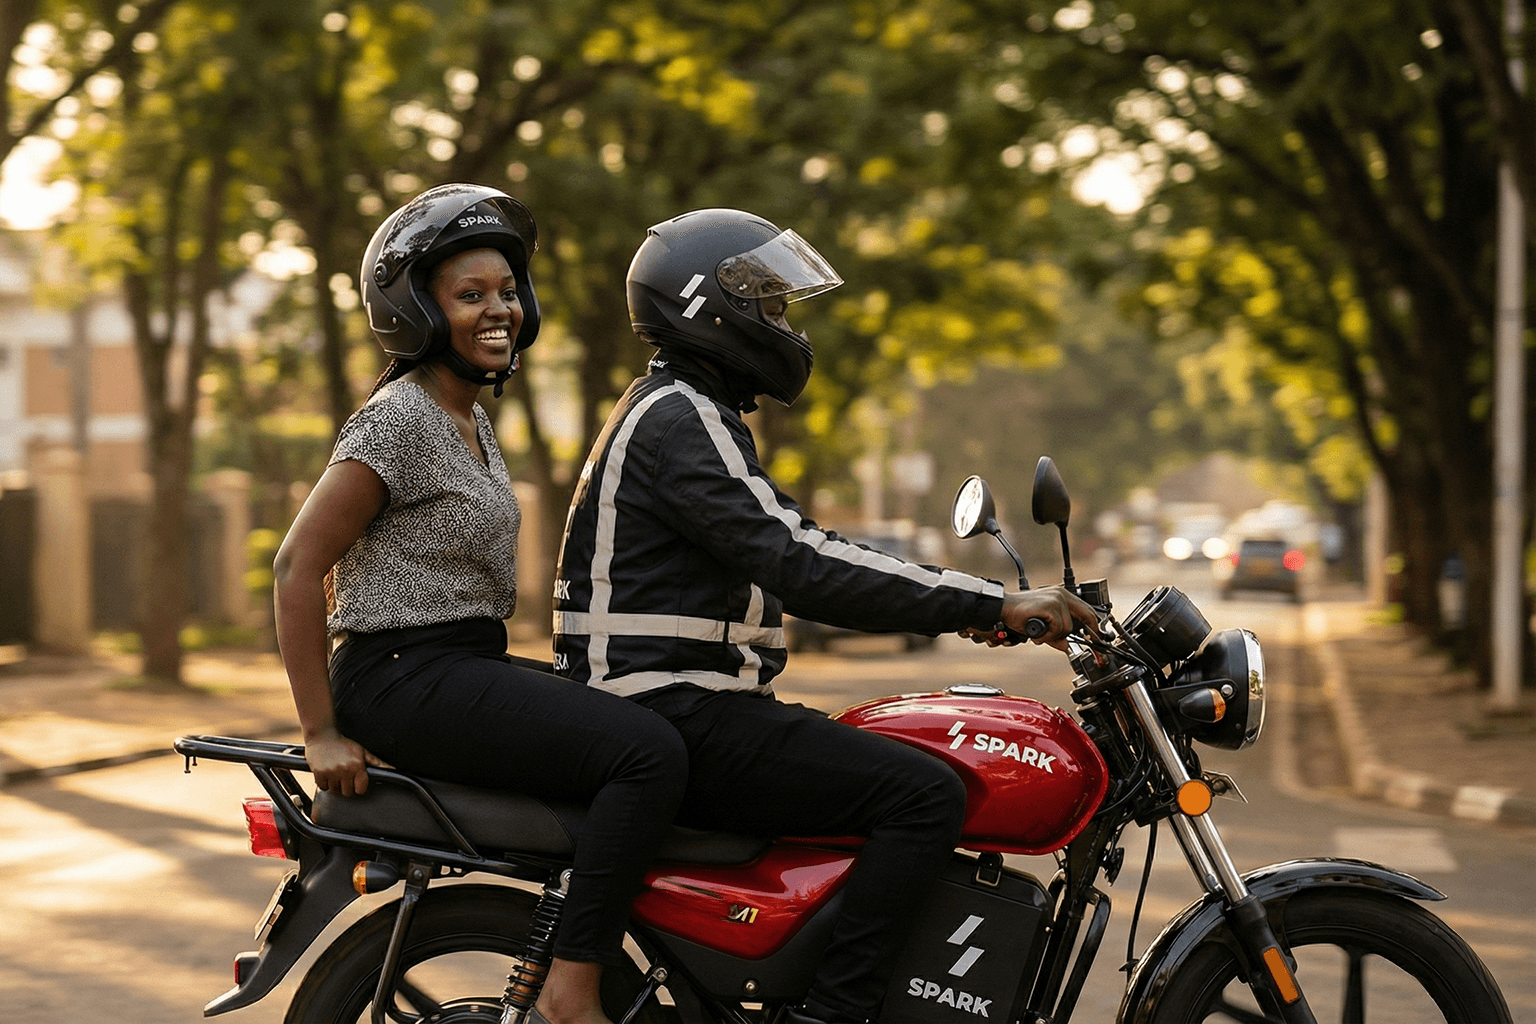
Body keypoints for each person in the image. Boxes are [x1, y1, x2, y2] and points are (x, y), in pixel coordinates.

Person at [551, 208, 1100, 1024]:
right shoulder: (679, 419)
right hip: (669, 709)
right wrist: (991, 599)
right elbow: (799, 560)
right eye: (769, 304)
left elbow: (800, 550)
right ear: (711, 305)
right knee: (922, 794)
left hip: (682, 704)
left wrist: (974, 606)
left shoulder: (686, 411)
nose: (782, 323)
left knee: (877, 759)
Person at [272, 183, 688, 1024]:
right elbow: (294, 567)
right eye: (470, 295)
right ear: (418, 312)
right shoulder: (398, 420)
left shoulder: (468, 417)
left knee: (657, 725)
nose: (498, 309)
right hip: (402, 675)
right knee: (647, 756)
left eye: (506, 292)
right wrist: (319, 730)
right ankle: (574, 992)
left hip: (455, 664)